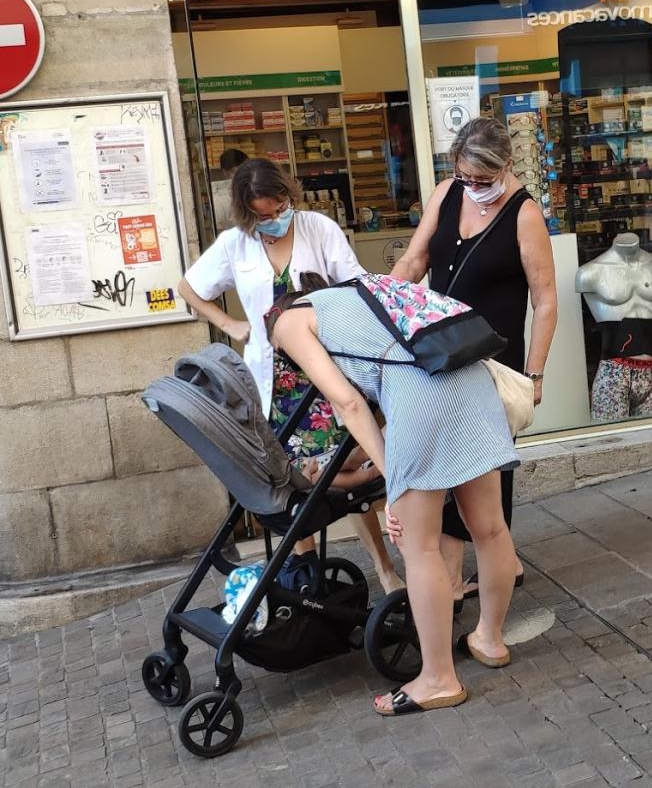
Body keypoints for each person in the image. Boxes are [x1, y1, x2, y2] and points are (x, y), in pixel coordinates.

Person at [268, 278, 519, 716]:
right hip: (471, 377)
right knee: (491, 527)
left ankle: (438, 679)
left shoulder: (288, 322)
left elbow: (347, 404)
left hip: (423, 395)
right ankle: (489, 640)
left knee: (418, 546)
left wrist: (391, 477)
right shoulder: (358, 292)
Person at [177, 157, 401, 595]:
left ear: (289, 195)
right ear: (246, 213)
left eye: (280, 207)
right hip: (274, 385)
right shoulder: (233, 244)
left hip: (323, 372)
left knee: (340, 469)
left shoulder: (318, 228)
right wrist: (229, 326)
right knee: (292, 487)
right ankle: (305, 576)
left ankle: (386, 569)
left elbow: (356, 285)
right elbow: (190, 288)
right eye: (264, 215)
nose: (275, 219)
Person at [392, 116, 556, 598]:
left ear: (507, 166)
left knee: (485, 473)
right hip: (440, 354)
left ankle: (486, 570)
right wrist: (383, 301)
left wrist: (536, 374)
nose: (474, 188)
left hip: (494, 360)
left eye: (484, 180)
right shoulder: (446, 194)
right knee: (444, 464)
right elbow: (415, 260)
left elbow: (545, 299)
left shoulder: (524, 214)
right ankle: (456, 578)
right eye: (466, 177)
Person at [210, 148, 249, 233]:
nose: (242, 176)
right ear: (225, 173)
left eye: (245, 171)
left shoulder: (255, 191)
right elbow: (219, 233)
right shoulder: (219, 200)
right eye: (235, 172)